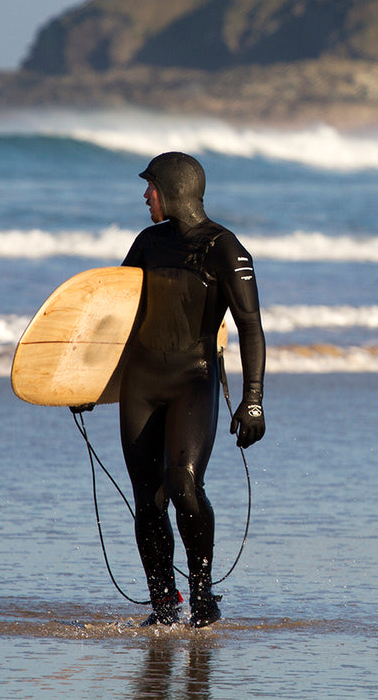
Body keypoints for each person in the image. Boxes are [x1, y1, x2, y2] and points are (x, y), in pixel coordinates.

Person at [113, 151, 266, 628]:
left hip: (192, 379)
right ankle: (163, 605)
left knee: (182, 482)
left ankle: (202, 595)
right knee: (148, 498)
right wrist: (84, 380)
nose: (144, 195)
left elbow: (251, 328)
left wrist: (253, 398)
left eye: (150, 186)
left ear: (173, 190)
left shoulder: (226, 249)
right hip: (140, 384)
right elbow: (112, 315)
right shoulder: (147, 243)